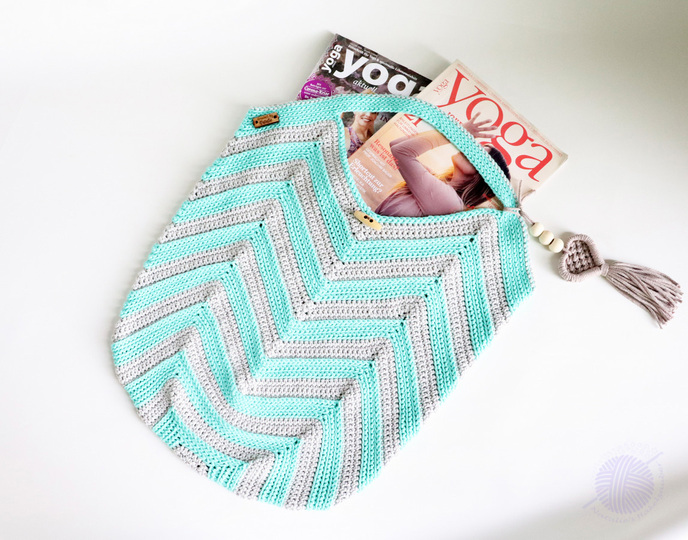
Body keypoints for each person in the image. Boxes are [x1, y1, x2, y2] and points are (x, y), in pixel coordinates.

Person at [375, 113, 510, 217]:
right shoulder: (437, 183)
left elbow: (401, 152)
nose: (470, 149)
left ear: (482, 177)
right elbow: (396, 145)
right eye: (475, 146)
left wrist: (455, 133)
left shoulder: (449, 201)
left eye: (478, 154)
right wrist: (454, 133)